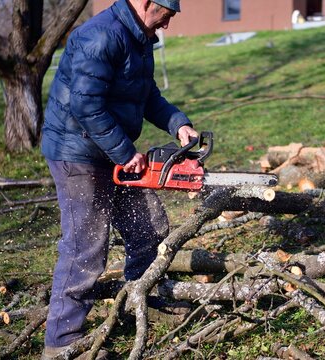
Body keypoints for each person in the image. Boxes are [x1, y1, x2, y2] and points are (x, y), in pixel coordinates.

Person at [40, 0, 197, 358]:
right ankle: (61, 342)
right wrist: (126, 153)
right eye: (166, 17)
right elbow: (85, 106)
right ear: (146, 3)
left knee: (149, 227)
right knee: (85, 247)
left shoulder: (139, 38)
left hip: (111, 152)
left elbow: (147, 96)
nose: (167, 26)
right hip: (77, 153)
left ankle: (140, 298)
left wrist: (179, 124)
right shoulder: (99, 36)